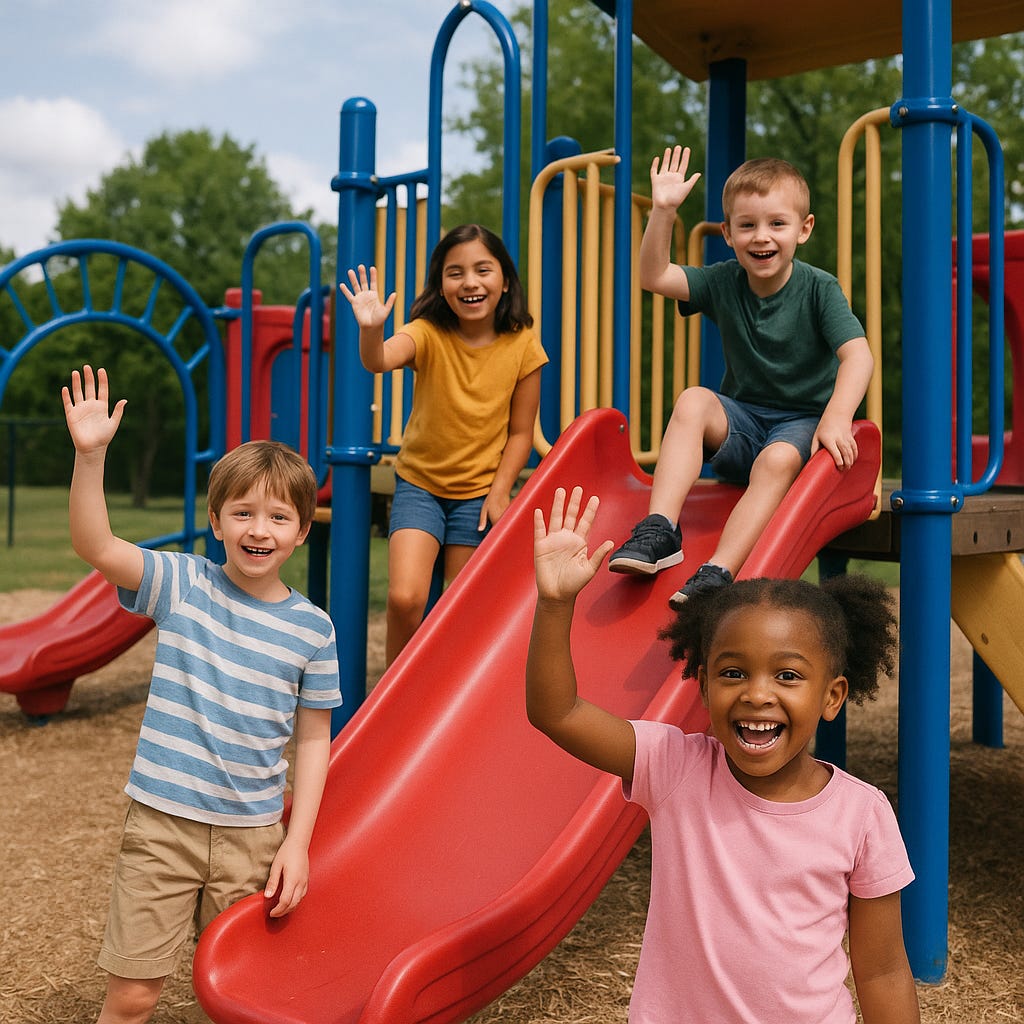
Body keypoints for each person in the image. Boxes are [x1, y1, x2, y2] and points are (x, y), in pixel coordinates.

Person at [528, 485, 920, 1024]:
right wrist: (554, 604)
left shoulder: (862, 814)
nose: (757, 693)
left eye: (787, 675)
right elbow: (558, 712)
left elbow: (882, 971)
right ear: (703, 683)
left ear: (832, 697)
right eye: (733, 673)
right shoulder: (675, 768)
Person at [62, 365, 341, 1024]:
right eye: (242, 512)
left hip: (252, 838)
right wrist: (90, 456)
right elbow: (95, 544)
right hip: (162, 828)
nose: (259, 529)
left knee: (246, 997)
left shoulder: (313, 629)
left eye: (279, 515)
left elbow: (313, 739)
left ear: (303, 530)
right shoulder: (183, 584)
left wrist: (296, 843)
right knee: (133, 995)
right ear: (216, 520)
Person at [609, 146, 875, 608]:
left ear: (803, 229)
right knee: (693, 398)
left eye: (777, 223)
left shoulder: (818, 288)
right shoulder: (723, 280)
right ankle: (659, 531)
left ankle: (718, 571)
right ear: (728, 234)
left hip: (800, 429)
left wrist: (835, 418)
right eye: (747, 225)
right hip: (743, 426)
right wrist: (664, 212)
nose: (761, 236)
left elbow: (858, 356)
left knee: (774, 463)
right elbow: (653, 276)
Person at [340, 223, 548, 665]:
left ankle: (439, 689)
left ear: (505, 279)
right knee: (405, 597)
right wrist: (371, 329)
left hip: (477, 493)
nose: (470, 282)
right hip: (421, 485)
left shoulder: (524, 346)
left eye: (482, 270)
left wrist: (499, 491)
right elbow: (377, 360)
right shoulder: (427, 333)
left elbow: (520, 432)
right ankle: (392, 691)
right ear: (441, 285)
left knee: (456, 605)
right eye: (455, 272)